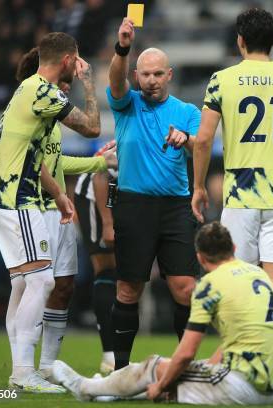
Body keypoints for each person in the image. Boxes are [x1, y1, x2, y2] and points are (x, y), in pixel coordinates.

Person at [191, 7, 273, 397]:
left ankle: (237, 367)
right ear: (272, 41)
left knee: (237, 284)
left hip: (240, 197)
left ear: (240, 41)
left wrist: (198, 186)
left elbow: (202, 139)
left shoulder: (222, 80)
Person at [0, 31, 103, 393]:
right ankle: (22, 371)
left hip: (19, 200)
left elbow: (39, 161)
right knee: (41, 282)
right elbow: (93, 126)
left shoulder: (28, 91)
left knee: (25, 284)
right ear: (68, 61)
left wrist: (61, 195)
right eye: (76, 60)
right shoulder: (43, 91)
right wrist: (89, 83)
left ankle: (25, 368)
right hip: (20, 202)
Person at [53, 222, 273, 405]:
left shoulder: (210, 285)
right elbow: (237, 339)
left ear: (200, 257)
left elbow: (186, 353)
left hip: (241, 388)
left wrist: (162, 383)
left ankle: (85, 388)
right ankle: (111, 390)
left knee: (154, 367)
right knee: (173, 375)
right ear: (233, 249)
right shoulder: (258, 274)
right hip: (269, 386)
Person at [107, 18, 201, 370]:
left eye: (158, 74)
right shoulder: (126, 103)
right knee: (129, 289)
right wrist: (123, 48)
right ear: (137, 77)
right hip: (134, 205)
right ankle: (120, 369)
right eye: (145, 74)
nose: (151, 80)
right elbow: (114, 81)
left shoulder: (187, 112)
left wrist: (187, 140)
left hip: (176, 207)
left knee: (184, 288)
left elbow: (200, 147)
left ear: (169, 75)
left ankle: (184, 366)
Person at [74, 161, 119, 374]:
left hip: (126, 198)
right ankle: (110, 356)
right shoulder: (138, 134)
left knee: (125, 275)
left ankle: (119, 353)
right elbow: (102, 174)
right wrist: (108, 223)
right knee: (106, 266)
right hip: (96, 195)